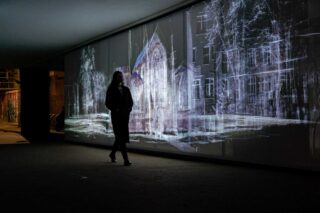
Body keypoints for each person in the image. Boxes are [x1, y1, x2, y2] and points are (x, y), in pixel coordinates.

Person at [105, 71, 133, 166]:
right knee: (121, 137)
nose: (120, 78)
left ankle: (112, 154)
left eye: (121, 76)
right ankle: (126, 160)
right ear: (115, 78)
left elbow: (130, 102)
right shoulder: (111, 89)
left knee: (120, 137)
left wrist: (128, 110)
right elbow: (107, 103)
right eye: (118, 77)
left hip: (125, 117)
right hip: (116, 117)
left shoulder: (126, 89)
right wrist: (115, 109)